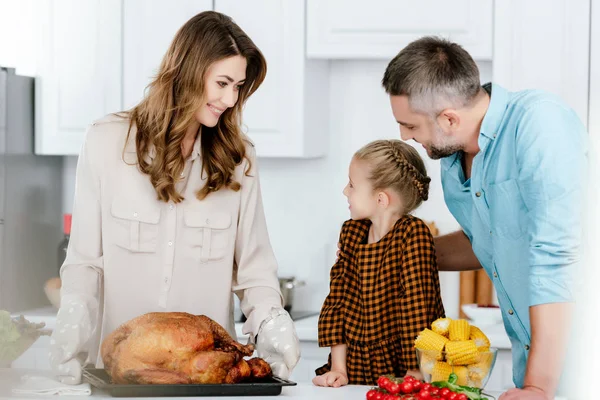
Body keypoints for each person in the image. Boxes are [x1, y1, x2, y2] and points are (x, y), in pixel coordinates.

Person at [49, 11, 300, 384]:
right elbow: (85, 261)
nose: (231, 98)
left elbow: (255, 270)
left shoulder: (238, 158)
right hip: (123, 377)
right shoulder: (106, 141)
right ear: (188, 70)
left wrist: (272, 323)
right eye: (223, 83)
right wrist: (73, 318)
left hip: (207, 380)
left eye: (238, 86)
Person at [381, 36, 586, 399]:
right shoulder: (452, 161)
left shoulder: (539, 123)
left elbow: (558, 258)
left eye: (409, 125)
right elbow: (486, 241)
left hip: (577, 371)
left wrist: (539, 386)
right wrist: (392, 250)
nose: (405, 136)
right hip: (534, 372)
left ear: (448, 118)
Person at [313, 139, 445, 387]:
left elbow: (416, 308)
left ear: (381, 199)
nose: (345, 191)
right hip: (356, 367)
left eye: (352, 185)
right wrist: (339, 369)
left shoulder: (413, 234)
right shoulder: (352, 232)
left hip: (403, 367)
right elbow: (338, 301)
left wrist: (414, 371)